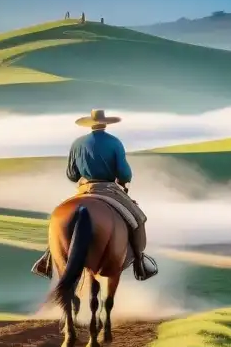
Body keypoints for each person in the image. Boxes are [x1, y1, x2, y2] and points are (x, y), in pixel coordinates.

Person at [31, 109, 158, 281]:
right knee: (138, 219)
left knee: (61, 217)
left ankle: (48, 258)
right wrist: (122, 179)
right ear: (105, 124)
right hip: (108, 188)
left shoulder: (77, 143)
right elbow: (125, 173)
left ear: (89, 124)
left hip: (84, 189)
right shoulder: (114, 142)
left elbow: (72, 175)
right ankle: (140, 262)